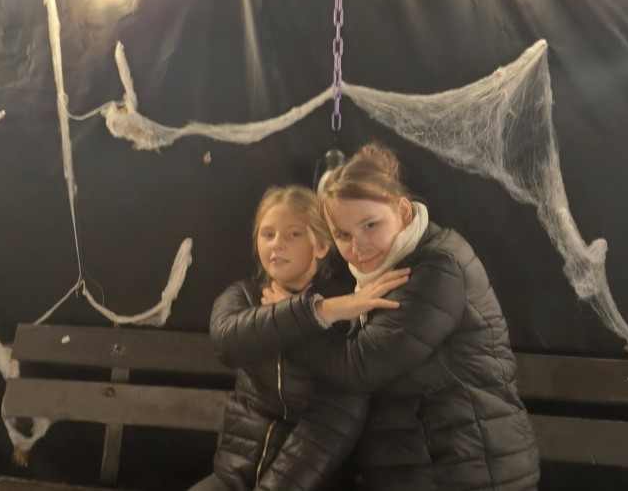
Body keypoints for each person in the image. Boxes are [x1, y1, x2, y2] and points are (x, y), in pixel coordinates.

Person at [248, 145, 541, 490]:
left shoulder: (438, 269)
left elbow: (357, 369)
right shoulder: (379, 275)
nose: (358, 245)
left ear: (401, 210)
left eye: (370, 225)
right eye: (343, 235)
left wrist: (293, 319)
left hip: (469, 472)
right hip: (423, 468)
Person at [190, 185, 407, 491]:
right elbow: (227, 343)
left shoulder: (350, 309)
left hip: (313, 482)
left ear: (321, 246)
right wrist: (316, 312)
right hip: (233, 475)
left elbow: (335, 421)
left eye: (293, 234)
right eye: (267, 234)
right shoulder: (244, 295)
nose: (277, 244)